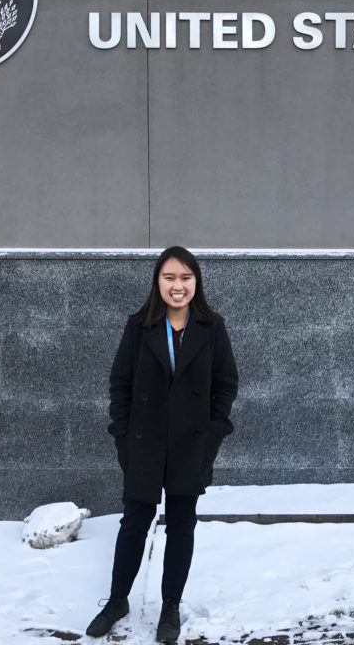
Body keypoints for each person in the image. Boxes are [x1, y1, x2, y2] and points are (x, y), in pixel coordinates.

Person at [86, 246, 239, 642]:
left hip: (191, 446)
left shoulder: (211, 327)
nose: (178, 286)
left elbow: (226, 384)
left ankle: (171, 605)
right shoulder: (139, 327)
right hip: (144, 445)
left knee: (182, 526)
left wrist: (212, 434)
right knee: (134, 523)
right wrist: (122, 437)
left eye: (186, 278)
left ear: (196, 283)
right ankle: (118, 599)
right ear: (158, 281)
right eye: (170, 277)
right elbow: (120, 383)